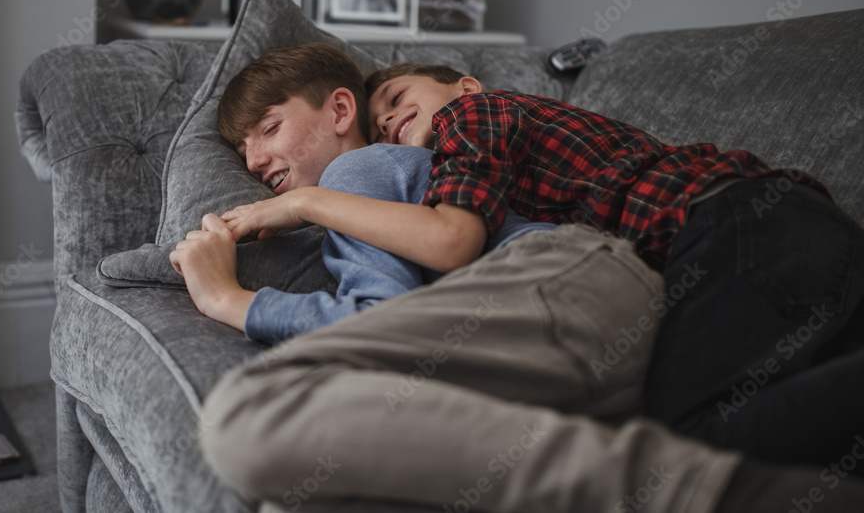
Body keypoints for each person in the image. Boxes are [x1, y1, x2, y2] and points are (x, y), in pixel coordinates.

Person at [198, 46, 864, 513]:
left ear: (465, 86)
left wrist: (244, 285)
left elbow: (441, 252)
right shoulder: (438, 174)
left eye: (268, 129)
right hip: (676, 267)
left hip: (726, 221)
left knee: (690, 447)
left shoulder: (458, 124)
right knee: (726, 435)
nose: (254, 160)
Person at [170, 43, 552, 345]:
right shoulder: (379, 175)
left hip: (545, 286)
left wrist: (224, 298)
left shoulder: (356, 169)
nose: (253, 162)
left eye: (269, 129)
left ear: (339, 111)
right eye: (242, 151)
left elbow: (380, 324)